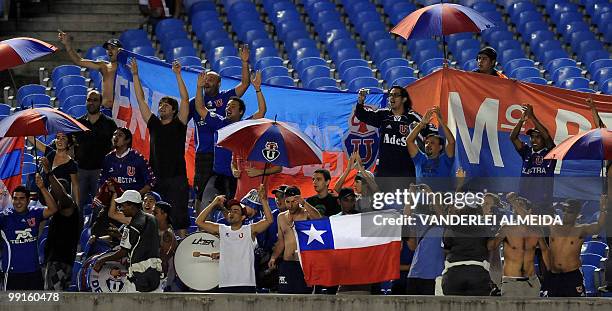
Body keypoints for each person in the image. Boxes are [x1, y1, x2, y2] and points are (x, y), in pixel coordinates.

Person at [131, 58, 190, 238]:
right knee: (155, 219)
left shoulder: (180, 124)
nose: (162, 107)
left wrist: (178, 75)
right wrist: (135, 75)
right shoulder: (154, 124)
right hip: (157, 178)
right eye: (160, 105)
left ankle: (182, 255)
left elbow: (186, 99)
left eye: (166, 105)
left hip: (177, 178)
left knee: (179, 220)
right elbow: (140, 99)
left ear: (173, 110)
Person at [191, 45, 251, 212]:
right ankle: (200, 227)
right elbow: (196, 110)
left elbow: (245, 84)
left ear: (218, 83)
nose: (207, 81)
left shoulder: (226, 98)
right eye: (205, 79)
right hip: (204, 153)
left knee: (228, 194)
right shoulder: (196, 101)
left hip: (226, 155)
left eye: (211, 79)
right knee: (201, 193)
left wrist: (244, 63)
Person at [194, 70, 266, 203]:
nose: (228, 108)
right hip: (217, 176)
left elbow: (261, 111)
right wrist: (199, 87)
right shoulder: (218, 121)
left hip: (237, 177)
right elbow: (199, 107)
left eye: (232, 106)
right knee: (205, 203)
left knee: (233, 209)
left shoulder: (244, 125)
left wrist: (257, 89)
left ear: (241, 112)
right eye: (227, 106)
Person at [195, 184, 274, 293]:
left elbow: (269, 220)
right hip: (225, 282)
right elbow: (199, 222)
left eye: (236, 211)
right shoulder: (222, 229)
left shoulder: (249, 230)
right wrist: (214, 203)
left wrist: (264, 200)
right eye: (230, 210)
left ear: (243, 217)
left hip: (246, 282)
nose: (231, 213)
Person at [93, 190, 163, 292]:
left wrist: (101, 260)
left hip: (139, 274)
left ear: (132, 206)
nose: (121, 209)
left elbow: (123, 252)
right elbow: (142, 242)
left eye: (123, 206)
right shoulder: (152, 219)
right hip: (155, 272)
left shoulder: (132, 227)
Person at [0, 179, 58, 290]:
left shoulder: (35, 213)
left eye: (21, 198)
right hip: (13, 273)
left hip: (34, 271)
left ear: (28, 200)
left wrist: (42, 187)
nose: (18, 202)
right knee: (13, 307)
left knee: (36, 306)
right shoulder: (5, 217)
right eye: (15, 198)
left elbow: (53, 209)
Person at [545, 196, 607, 297]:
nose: (565, 214)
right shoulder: (552, 225)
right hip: (553, 276)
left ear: (577, 214)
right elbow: (529, 220)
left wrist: (603, 208)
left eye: (569, 212)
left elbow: (599, 226)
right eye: (564, 210)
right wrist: (515, 203)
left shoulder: (581, 229)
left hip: (572, 276)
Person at [487, 197, 549, 297]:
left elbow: (545, 251)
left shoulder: (537, 231)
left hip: (532, 282)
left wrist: (550, 275)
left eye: (520, 205)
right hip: (510, 282)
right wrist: (492, 229)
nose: (516, 209)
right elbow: (491, 246)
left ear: (529, 211)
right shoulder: (507, 228)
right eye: (514, 206)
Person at [268, 186, 321, 294]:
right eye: (288, 202)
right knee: (285, 297)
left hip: (303, 264)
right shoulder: (280, 217)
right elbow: (281, 241)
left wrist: (305, 203)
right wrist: (273, 257)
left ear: (299, 200)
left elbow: (319, 219)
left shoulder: (306, 214)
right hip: (287, 264)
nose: (291, 205)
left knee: (304, 297)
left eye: (294, 202)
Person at [41, 158, 82, 291]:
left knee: (53, 300)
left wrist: (49, 173)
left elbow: (62, 196)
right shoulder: (57, 211)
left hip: (59, 262)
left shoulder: (70, 207)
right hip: (60, 261)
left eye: (54, 191)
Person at [72, 89, 117, 209]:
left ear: (101, 103)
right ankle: (78, 228)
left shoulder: (110, 124)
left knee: (101, 207)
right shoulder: (78, 123)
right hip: (80, 171)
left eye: (95, 100)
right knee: (77, 207)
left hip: (101, 171)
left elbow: (116, 147)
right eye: (89, 100)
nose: (91, 103)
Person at [510, 104, 556, 215]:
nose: (534, 140)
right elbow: (513, 137)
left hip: (542, 205)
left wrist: (532, 117)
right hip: (523, 203)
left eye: (537, 137)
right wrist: (521, 121)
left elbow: (547, 136)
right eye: (532, 137)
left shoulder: (550, 153)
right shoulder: (526, 151)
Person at [441, 206, 493, 296]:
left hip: (454, 272)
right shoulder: (486, 226)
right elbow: (490, 246)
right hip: (478, 272)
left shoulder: (451, 226)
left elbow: (446, 245)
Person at [58, 32, 119, 108]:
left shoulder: (128, 69)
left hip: (122, 112)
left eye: (112, 48)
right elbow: (78, 61)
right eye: (107, 49)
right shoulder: (104, 66)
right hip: (106, 110)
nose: (109, 51)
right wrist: (68, 44)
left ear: (119, 51)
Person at [404, 184, 445, 295]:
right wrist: (411, 195)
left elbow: (442, 216)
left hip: (435, 275)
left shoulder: (448, 222)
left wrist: (430, 192)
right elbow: (406, 216)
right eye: (432, 201)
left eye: (437, 200)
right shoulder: (422, 218)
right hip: (415, 273)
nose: (433, 202)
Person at [407, 106, 456, 191]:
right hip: (420, 203)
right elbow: (409, 141)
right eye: (426, 143)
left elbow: (451, 142)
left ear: (440, 147)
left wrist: (441, 122)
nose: (428, 144)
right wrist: (422, 124)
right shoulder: (419, 158)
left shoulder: (445, 160)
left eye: (432, 143)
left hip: (439, 202)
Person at [28, 132, 80, 206]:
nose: (59, 140)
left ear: (69, 143)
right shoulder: (49, 152)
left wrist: (77, 207)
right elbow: (30, 138)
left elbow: (75, 186)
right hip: (42, 199)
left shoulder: (72, 164)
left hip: (59, 203)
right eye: (58, 138)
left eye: (63, 138)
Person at [98, 127, 155, 195]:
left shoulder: (138, 158)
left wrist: (137, 195)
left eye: (120, 135)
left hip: (133, 201)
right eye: (114, 134)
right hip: (114, 198)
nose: (115, 137)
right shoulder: (108, 158)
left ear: (127, 140)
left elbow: (151, 181)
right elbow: (102, 181)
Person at [152, 201, 177, 291]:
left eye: (155, 213)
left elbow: (164, 259)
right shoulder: (154, 230)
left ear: (164, 215)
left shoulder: (167, 234)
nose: (152, 215)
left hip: (162, 280)